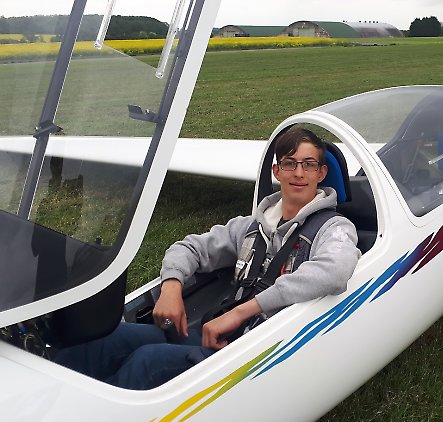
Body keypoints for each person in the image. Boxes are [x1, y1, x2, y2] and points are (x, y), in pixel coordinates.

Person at [55, 128, 360, 390]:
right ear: (276, 171)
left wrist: (242, 312)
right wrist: (171, 286)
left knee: (147, 361)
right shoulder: (250, 226)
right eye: (290, 163)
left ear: (321, 173)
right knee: (110, 339)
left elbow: (335, 271)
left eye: (309, 165)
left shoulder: (334, 228)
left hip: (259, 349)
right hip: (217, 335)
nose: (299, 173)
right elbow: (189, 247)